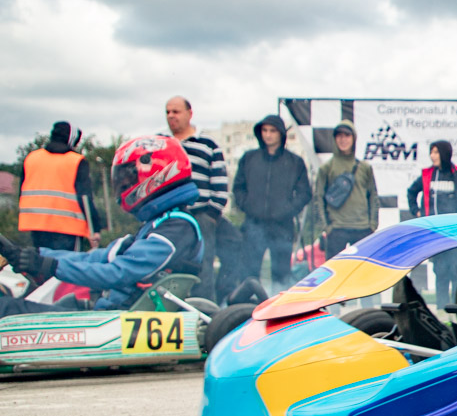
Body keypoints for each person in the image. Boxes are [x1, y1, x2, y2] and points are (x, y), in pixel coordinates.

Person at [0, 136, 202, 318]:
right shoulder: (157, 226)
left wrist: (49, 266)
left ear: (156, 176)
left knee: (6, 308)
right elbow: (95, 258)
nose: (123, 185)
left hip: (118, 322)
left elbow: (116, 273)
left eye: (127, 179)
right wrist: (36, 256)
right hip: (113, 314)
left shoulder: (176, 228)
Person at [232, 115, 312, 293]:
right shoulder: (249, 158)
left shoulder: (294, 162)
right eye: (265, 130)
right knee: (248, 273)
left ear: (281, 134)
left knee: (281, 275)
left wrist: (286, 210)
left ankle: (279, 307)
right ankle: (247, 305)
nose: (268, 135)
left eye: (272, 131)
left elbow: (305, 193)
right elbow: (238, 188)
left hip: (282, 226)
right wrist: (249, 206)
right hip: (253, 224)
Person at [406, 139, 457, 308]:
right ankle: (442, 308)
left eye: (436, 152)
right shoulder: (428, 175)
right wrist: (416, 211)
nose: (432, 156)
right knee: (441, 272)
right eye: (431, 152)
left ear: (445, 154)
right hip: (436, 233)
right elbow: (411, 192)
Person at [165, 96, 228, 301]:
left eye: (176, 111)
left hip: (201, 214)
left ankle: (204, 308)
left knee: (203, 264)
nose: (171, 116)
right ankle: (173, 306)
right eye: (168, 112)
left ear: (189, 114)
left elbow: (220, 182)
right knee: (169, 261)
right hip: (169, 216)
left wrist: (211, 215)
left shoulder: (208, 144)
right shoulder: (161, 143)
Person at [18, 121, 100, 252]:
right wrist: (94, 229)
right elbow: (85, 198)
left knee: (42, 262)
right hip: (68, 228)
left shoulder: (31, 158)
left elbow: (22, 191)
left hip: (36, 224)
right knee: (67, 263)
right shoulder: (76, 161)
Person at [314, 120, 380, 257]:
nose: (343, 139)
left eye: (347, 135)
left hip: (363, 228)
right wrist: (326, 227)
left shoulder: (365, 167)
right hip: (337, 229)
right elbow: (318, 198)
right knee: (335, 269)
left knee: (363, 268)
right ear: (334, 139)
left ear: (353, 139)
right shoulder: (326, 168)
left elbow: (373, 196)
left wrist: (372, 224)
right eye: (339, 135)